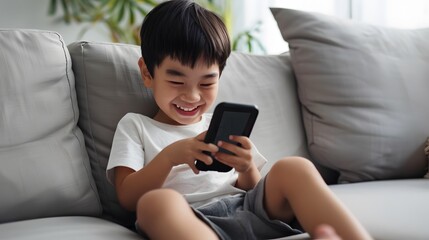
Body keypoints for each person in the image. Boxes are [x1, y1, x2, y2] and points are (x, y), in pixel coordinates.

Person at [106, 1, 372, 239]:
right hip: (190, 219)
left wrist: (246, 169)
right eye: (176, 81)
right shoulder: (136, 126)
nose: (192, 96)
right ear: (147, 73)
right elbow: (128, 198)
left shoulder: (219, 125)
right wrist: (169, 157)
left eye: (207, 82)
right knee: (156, 204)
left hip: (246, 210)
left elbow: (255, 191)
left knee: (295, 168)